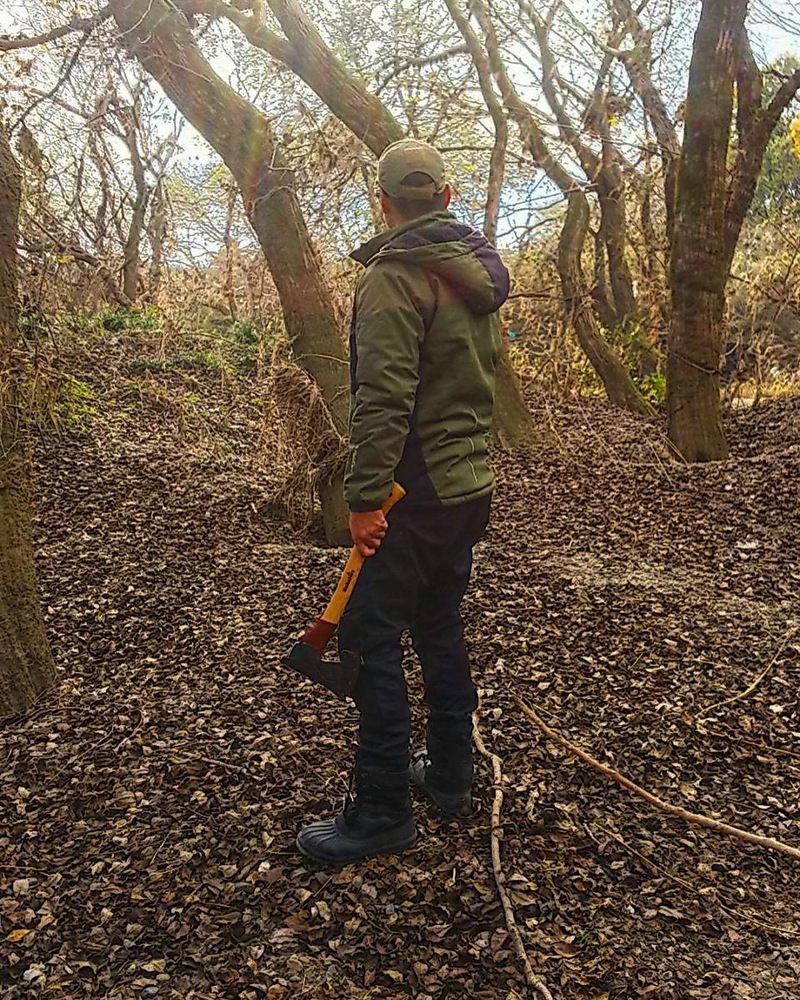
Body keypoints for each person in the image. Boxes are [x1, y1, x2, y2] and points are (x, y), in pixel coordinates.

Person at [296, 139, 510, 865]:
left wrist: (364, 499)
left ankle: (382, 808)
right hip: (466, 487)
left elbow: (382, 400)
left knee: (367, 637)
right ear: (446, 200)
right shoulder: (478, 275)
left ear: (382, 202)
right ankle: (449, 774)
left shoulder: (394, 278)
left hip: (412, 493)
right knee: (438, 622)